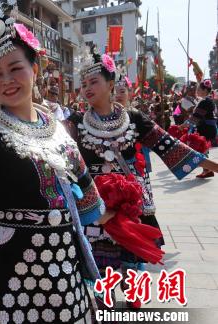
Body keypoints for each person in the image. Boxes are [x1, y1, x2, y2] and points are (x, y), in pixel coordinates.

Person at [0, 6, 106, 322]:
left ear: (35, 68)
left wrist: (124, 215)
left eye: (15, 68)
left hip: (64, 264)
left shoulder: (57, 129)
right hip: (9, 269)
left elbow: (88, 198)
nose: (6, 80)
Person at [64, 52, 218, 308]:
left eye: (94, 82)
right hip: (95, 206)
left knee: (132, 270)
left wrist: (213, 165)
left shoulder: (134, 119)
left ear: (110, 83)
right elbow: (62, 162)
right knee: (101, 277)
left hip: (129, 205)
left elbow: (172, 147)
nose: (87, 89)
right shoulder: (75, 123)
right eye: (84, 84)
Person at [183, 79, 217, 178]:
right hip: (206, 128)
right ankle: (207, 170)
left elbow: (195, 118)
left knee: (201, 150)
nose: (196, 91)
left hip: (206, 129)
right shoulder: (206, 101)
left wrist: (183, 125)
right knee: (203, 150)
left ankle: (209, 169)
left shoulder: (205, 102)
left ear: (205, 91)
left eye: (198, 89)